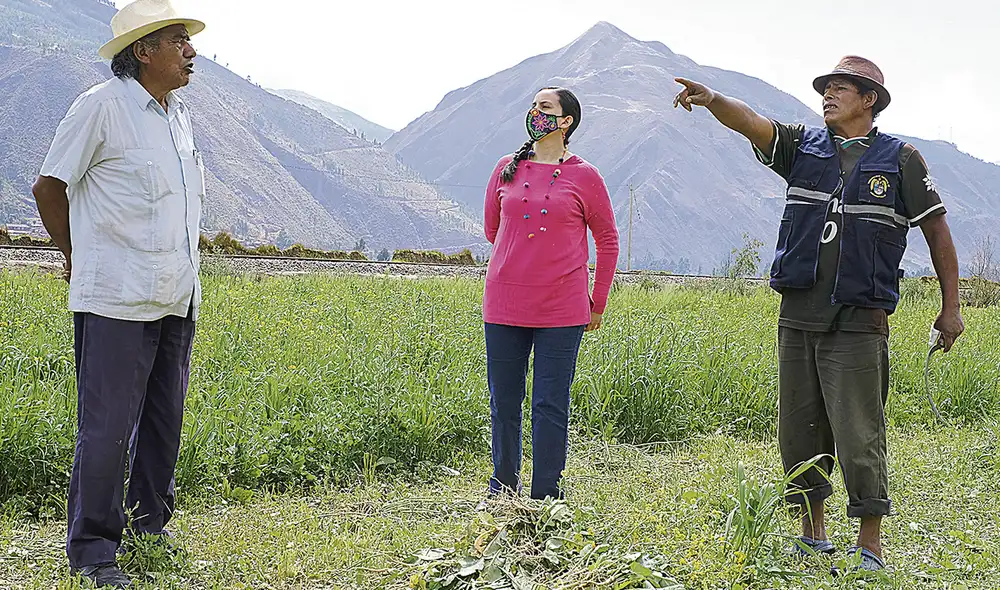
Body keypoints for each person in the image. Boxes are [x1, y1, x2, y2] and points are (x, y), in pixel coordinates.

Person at [673, 56, 964, 572]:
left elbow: (936, 231)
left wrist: (951, 307)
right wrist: (713, 99)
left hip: (859, 319)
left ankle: (869, 545)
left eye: (839, 88)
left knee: (858, 433)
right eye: (825, 88)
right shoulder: (802, 147)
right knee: (799, 430)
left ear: (868, 99)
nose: (827, 95)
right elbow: (750, 122)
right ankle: (813, 534)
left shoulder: (901, 160)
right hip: (798, 315)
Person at [31, 0, 206, 586]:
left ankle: (149, 529)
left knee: (163, 421)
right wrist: (74, 254)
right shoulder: (100, 109)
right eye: (178, 40)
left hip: (176, 295)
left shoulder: (177, 116)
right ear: (143, 51)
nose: (192, 51)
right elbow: (50, 186)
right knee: (106, 428)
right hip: (115, 297)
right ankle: (94, 551)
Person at [482, 87, 620, 502]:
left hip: (563, 309)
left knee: (549, 404)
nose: (534, 112)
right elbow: (493, 230)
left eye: (545, 107)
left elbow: (608, 240)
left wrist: (598, 301)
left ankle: (546, 498)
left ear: (566, 122)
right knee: (504, 401)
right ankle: (503, 488)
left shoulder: (585, 176)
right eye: (533, 106)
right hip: (504, 304)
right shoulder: (506, 168)